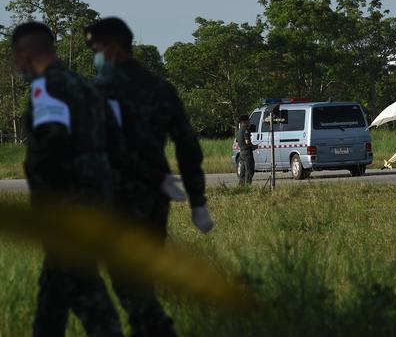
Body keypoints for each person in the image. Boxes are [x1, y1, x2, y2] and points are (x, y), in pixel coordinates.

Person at [85, 17, 213, 336]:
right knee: (140, 281)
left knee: (130, 286)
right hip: (156, 200)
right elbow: (187, 145)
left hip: (116, 199)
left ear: (113, 49)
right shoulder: (160, 88)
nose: (95, 55)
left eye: (97, 48)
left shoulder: (100, 90)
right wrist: (197, 201)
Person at [12, 22, 123, 337]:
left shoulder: (45, 88)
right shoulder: (88, 88)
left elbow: (51, 146)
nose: (15, 64)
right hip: (96, 204)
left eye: (15, 56)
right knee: (53, 296)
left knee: (87, 294)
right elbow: (116, 144)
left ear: (25, 53)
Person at [236, 114, 258, 185]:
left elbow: (237, 143)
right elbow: (247, 141)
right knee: (250, 170)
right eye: (248, 120)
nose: (249, 122)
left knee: (242, 171)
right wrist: (253, 146)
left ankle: (241, 186)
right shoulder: (245, 130)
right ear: (244, 121)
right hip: (247, 152)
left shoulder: (238, 131)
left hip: (241, 152)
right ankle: (248, 186)